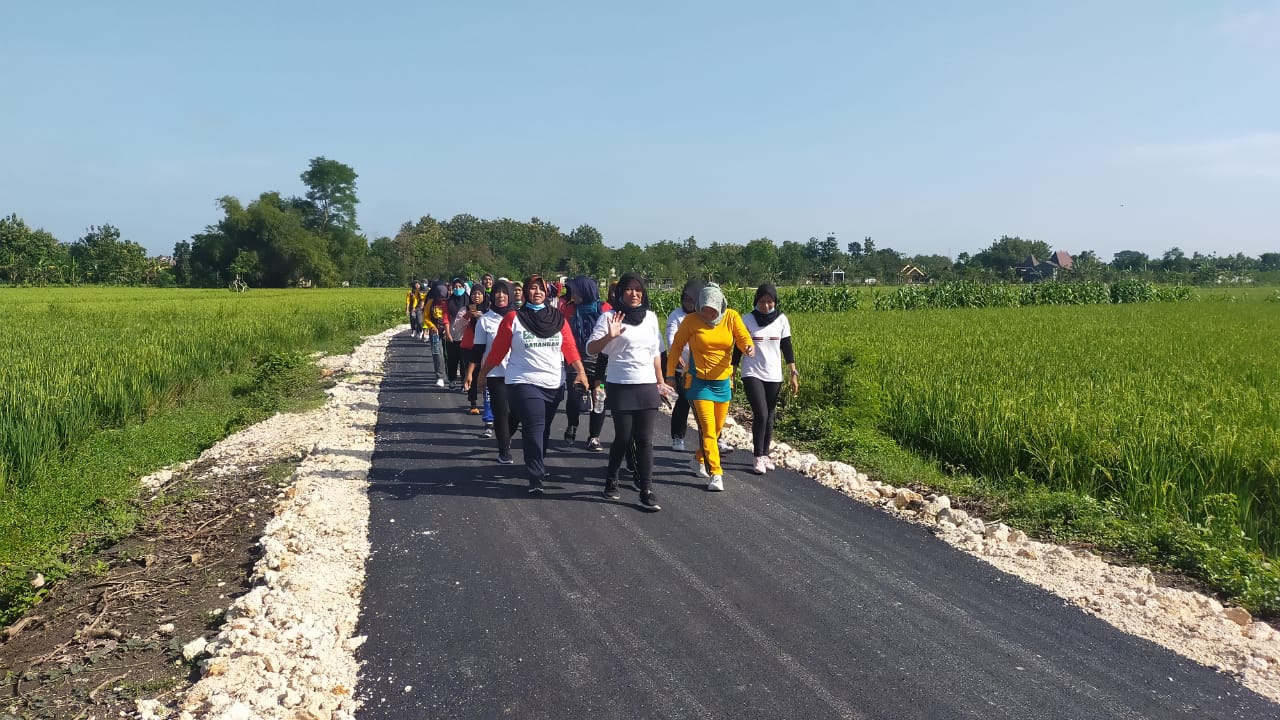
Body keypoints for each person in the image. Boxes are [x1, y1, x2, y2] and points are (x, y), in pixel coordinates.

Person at [478, 275, 590, 493]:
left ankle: (537, 461)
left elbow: (569, 347)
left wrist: (581, 372)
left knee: (544, 428)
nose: (537, 292)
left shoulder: (557, 318)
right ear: (526, 291)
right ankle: (535, 476)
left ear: (546, 292)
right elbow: (498, 350)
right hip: (523, 381)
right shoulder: (513, 318)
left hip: (553, 383)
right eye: (532, 288)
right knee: (534, 424)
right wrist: (483, 375)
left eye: (541, 288)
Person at [586, 273, 671, 511]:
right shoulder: (609, 317)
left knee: (645, 440)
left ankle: (646, 489)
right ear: (621, 292)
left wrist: (661, 381)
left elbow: (655, 352)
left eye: (638, 289)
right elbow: (591, 349)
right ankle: (611, 478)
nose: (634, 294)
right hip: (620, 384)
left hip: (646, 386)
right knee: (623, 438)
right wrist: (609, 336)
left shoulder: (651, 318)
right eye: (629, 290)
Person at [665, 283, 754, 492]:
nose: (707, 313)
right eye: (703, 308)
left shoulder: (731, 317)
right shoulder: (691, 321)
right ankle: (716, 473)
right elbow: (676, 346)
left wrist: (748, 346)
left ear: (720, 306)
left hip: (723, 382)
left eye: (712, 310)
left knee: (715, 430)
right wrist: (669, 374)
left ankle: (697, 460)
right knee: (706, 428)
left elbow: (742, 337)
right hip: (698, 383)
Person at [733, 283, 799, 474]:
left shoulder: (781, 320)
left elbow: (787, 347)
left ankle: (765, 453)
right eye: (762, 301)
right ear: (756, 301)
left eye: (770, 301)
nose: (766, 305)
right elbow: (737, 347)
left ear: (775, 302)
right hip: (752, 372)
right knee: (761, 413)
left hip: (774, 374)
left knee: (769, 415)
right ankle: (757, 456)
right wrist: (733, 370)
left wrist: (793, 373)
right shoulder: (747, 320)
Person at [467, 280, 520, 460]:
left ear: (510, 295)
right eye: (497, 292)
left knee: (517, 413)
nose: (500, 295)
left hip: (519, 373)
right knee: (501, 412)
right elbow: (477, 350)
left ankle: (506, 436)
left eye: (504, 292)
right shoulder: (485, 320)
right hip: (495, 373)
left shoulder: (519, 318)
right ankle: (504, 449)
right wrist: (470, 373)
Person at [560, 276, 610, 449]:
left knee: (599, 398)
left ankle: (594, 437)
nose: (573, 293)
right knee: (574, 396)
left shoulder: (605, 308)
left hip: (601, 361)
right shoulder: (568, 310)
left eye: (576, 290)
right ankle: (572, 424)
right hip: (576, 360)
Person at [664, 279, 702, 451]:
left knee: (706, 403)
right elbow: (671, 336)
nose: (688, 302)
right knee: (684, 401)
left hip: (702, 367)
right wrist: (676, 352)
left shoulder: (704, 314)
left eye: (692, 299)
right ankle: (677, 437)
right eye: (686, 299)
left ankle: (716, 437)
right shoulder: (676, 315)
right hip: (682, 366)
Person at [460, 284, 489, 414]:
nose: (476, 296)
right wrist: (467, 317)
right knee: (471, 372)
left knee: (486, 374)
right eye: (473, 294)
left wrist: (482, 317)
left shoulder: (489, 310)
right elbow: (457, 327)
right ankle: (473, 403)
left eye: (479, 294)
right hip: (470, 346)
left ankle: (488, 403)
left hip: (486, 346)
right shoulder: (465, 309)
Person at [444, 277, 471, 387]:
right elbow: (445, 317)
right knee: (452, 359)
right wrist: (447, 333)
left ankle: (464, 382)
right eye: (455, 287)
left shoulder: (469, 301)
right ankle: (452, 379)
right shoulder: (448, 302)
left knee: (465, 361)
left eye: (460, 287)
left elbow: (473, 318)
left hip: (465, 336)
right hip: (452, 334)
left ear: (464, 288)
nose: (457, 289)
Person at [423, 282, 450, 387]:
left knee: (448, 354)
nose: (441, 299)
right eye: (439, 297)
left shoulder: (449, 302)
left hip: (447, 331)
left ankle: (450, 374)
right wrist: (431, 326)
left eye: (443, 297)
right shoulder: (430, 303)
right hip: (435, 331)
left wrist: (447, 328)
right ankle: (439, 376)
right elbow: (426, 317)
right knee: (437, 354)